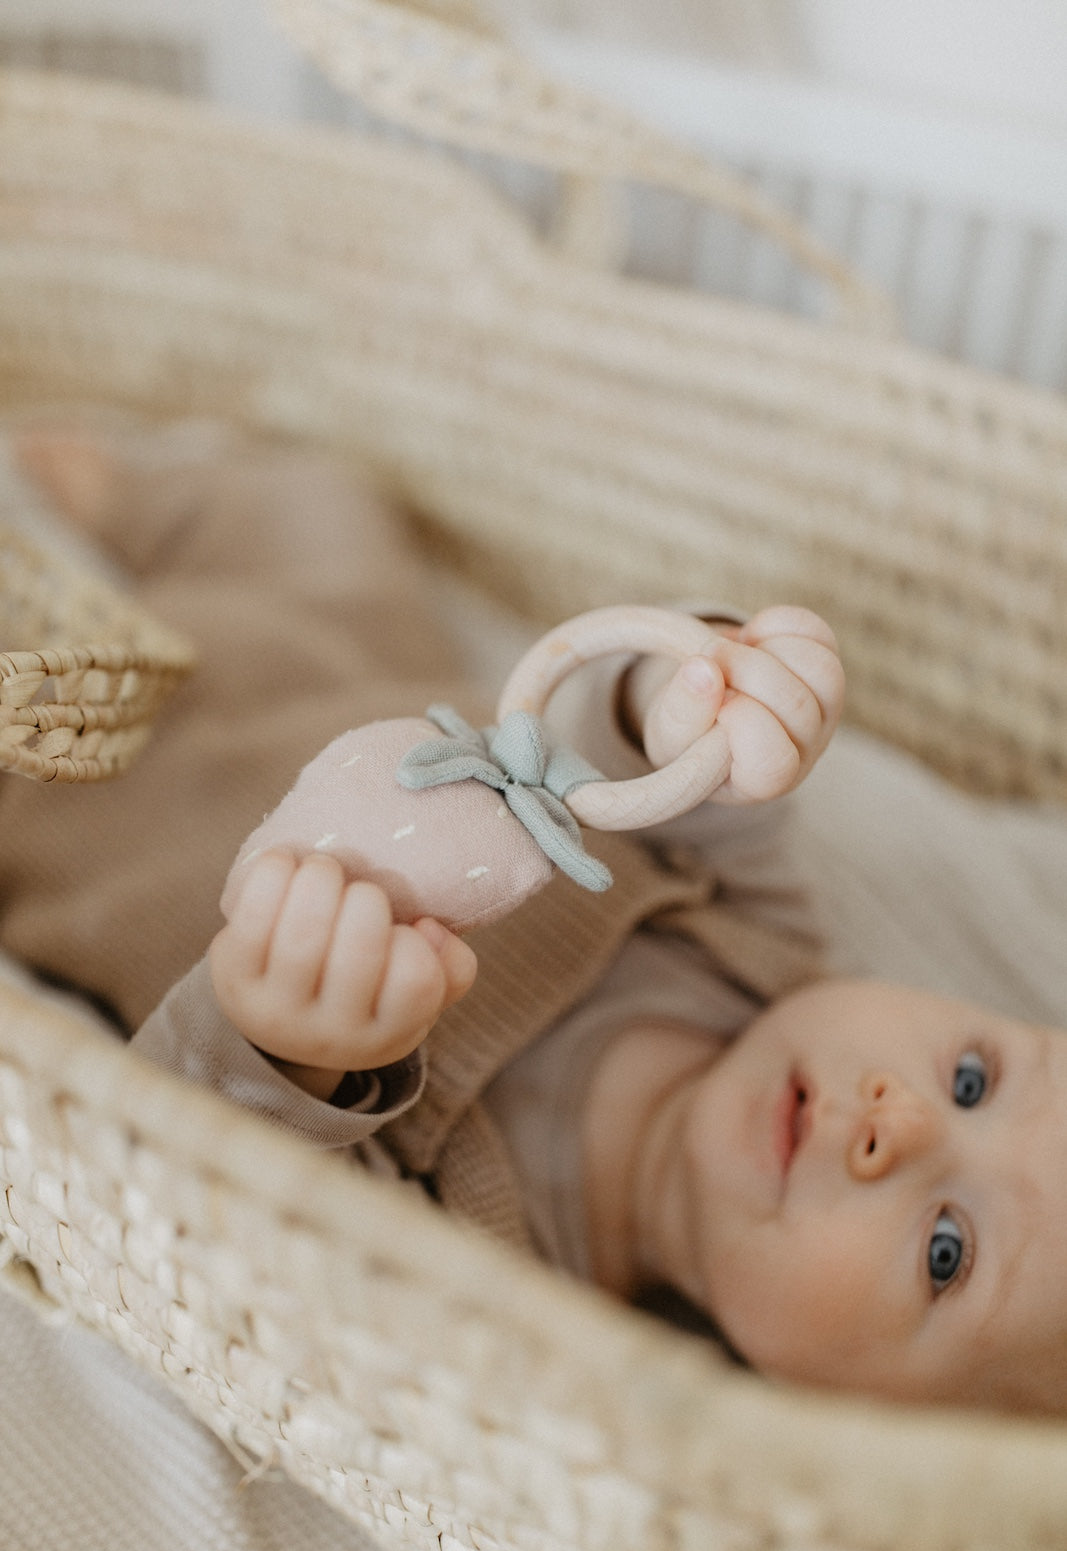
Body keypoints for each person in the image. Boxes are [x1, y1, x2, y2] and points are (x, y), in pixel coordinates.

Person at [10, 423, 1067, 1418]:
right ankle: (126, 493)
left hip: (96, 819)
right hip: (347, 665)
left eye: (945, 1249)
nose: (903, 1121)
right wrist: (691, 698)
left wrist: (284, 1045)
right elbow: (621, 752)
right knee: (324, 510)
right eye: (972, 1076)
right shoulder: (754, 948)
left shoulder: (505, 1288)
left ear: (857, 1421)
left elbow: (196, 1214)